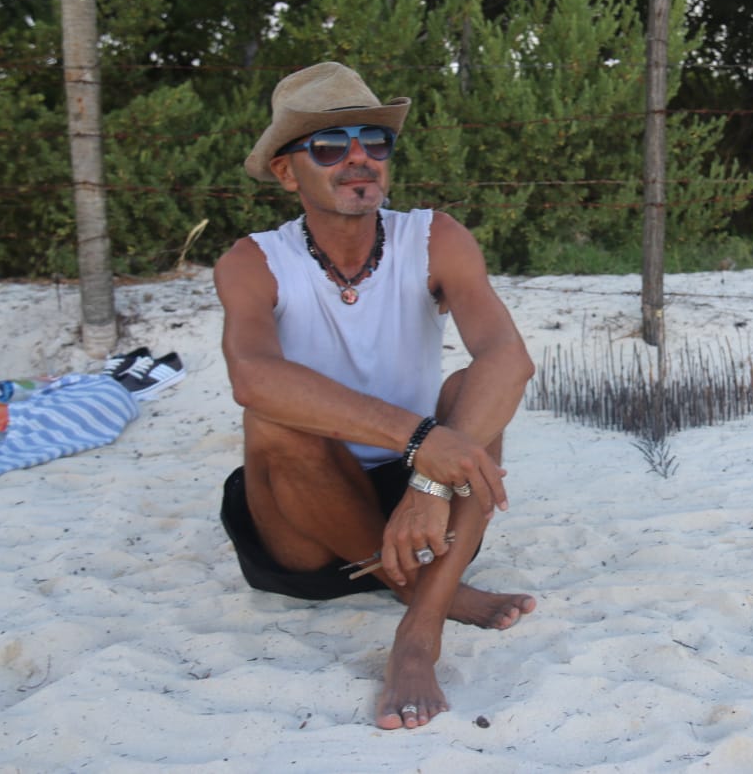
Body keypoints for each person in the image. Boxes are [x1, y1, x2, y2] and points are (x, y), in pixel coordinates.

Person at [214, 61, 536, 730]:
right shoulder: (253, 261)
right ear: (286, 171)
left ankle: (419, 631)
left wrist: (428, 479)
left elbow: (509, 358)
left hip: (423, 515)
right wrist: (423, 440)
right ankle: (434, 594)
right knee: (273, 421)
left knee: (473, 388)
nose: (359, 158)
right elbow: (253, 377)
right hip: (303, 523)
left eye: (375, 141)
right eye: (330, 146)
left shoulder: (434, 237)